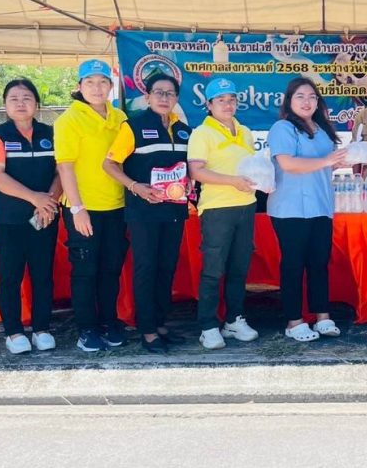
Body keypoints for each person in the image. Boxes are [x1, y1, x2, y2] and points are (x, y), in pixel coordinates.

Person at [103, 73, 191, 354]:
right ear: (147, 96)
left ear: (176, 98)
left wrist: (191, 184)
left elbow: (186, 168)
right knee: (146, 268)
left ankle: (160, 323)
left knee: (167, 267)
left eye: (170, 93)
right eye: (158, 92)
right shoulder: (133, 127)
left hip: (174, 210)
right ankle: (148, 330)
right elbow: (109, 165)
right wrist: (134, 186)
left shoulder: (184, 131)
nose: (164, 98)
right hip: (143, 212)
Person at [0, 79, 62, 355]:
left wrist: (48, 201)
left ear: (36, 104)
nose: (20, 103)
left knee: (43, 274)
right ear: (5, 105)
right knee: (10, 275)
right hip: (10, 219)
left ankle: (42, 328)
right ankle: (13, 331)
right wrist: (34, 198)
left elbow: (61, 172)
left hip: (45, 216)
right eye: (13, 98)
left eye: (26, 97)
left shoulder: (51, 133)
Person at [55, 59, 129, 352]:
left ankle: (109, 322)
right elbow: (65, 167)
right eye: (90, 82)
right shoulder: (69, 120)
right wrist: (77, 209)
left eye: (103, 82)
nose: (97, 88)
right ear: (79, 86)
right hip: (83, 208)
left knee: (111, 269)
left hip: (116, 206)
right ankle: (86, 328)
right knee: (85, 271)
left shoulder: (119, 117)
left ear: (111, 86)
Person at [268, 78, 348, 342]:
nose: (307, 101)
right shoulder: (283, 128)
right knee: (293, 264)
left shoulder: (322, 129)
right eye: (300, 96)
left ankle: (322, 316)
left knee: (319, 263)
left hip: (320, 204)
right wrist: (325, 161)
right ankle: (294, 321)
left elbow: (324, 163)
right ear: (289, 101)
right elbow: (288, 164)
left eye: (312, 96)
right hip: (290, 208)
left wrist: (335, 162)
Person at [187, 78, 260, 350]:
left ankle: (234, 320)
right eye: (220, 100)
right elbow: (196, 172)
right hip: (217, 208)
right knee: (213, 269)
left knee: (239, 267)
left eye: (231, 99)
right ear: (209, 105)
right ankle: (208, 325)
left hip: (246, 205)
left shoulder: (245, 131)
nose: (227, 105)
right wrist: (233, 182)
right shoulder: (202, 133)